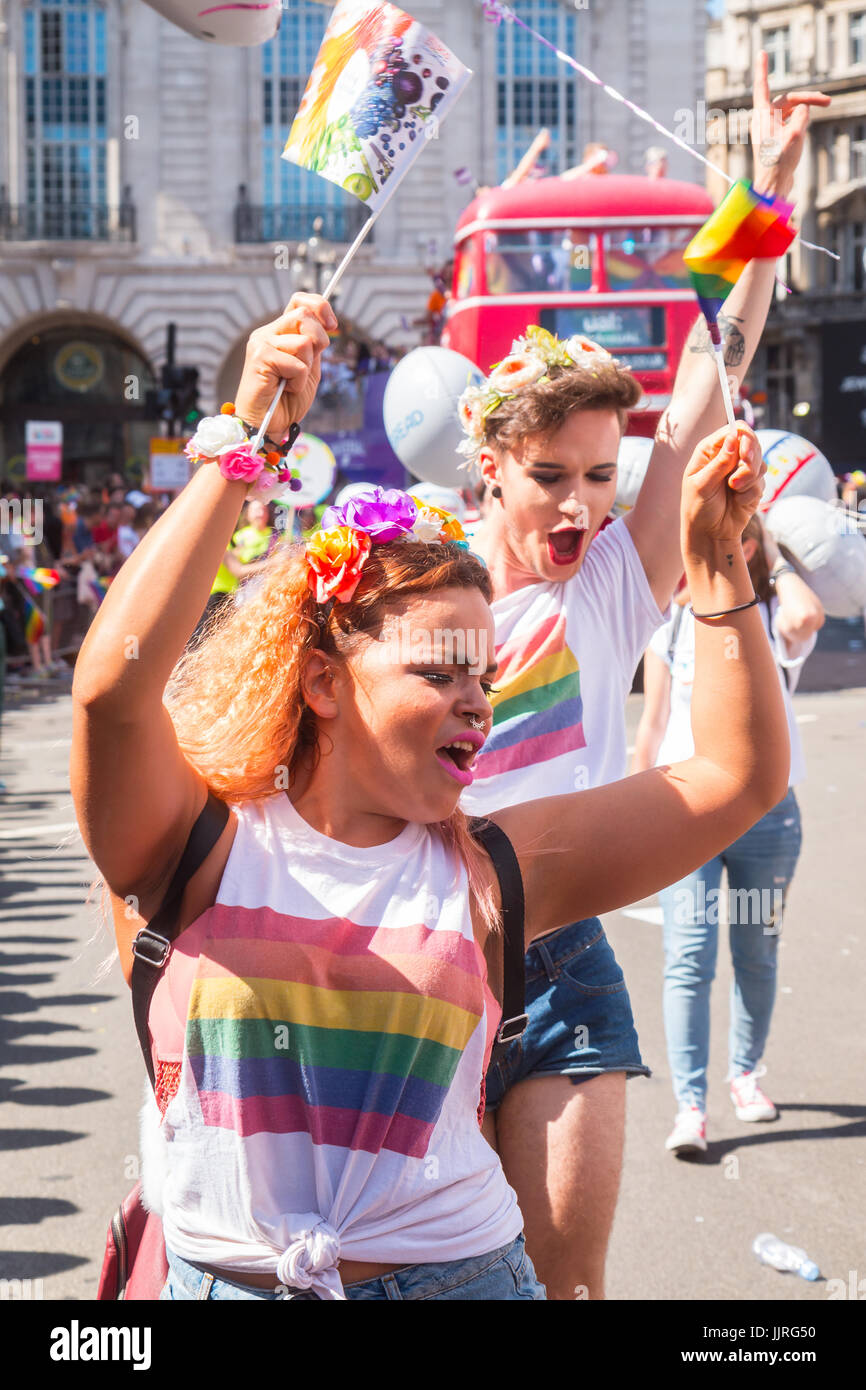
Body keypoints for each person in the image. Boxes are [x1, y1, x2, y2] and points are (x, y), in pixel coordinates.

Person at [70, 292, 787, 1301]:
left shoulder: (490, 867)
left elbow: (733, 777)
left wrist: (717, 568)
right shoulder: (194, 845)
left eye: (483, 679)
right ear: (322, 680)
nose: (475, 707)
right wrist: (242, 447)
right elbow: (111, 688)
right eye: (441, 672)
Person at [456, 50, 831, 1300]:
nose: (580, 504)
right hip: (419, 960)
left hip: (561, 962)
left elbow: (709, 361)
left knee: (567, 1288)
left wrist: (767, 189)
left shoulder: (614, 580)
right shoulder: (417, 583)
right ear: (492, 471)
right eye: (551, 477)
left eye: (600, 477)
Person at [631, 515, 824, 1154]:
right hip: (688, 813)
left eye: (739, 534)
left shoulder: (771, 615)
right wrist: (632, 812)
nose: (723, 546)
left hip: (768, 818)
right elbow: (652, 726)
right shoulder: (676, 623)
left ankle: (744, 1075)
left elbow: (808, 618)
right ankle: (691, 1106)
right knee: (688, 959)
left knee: (756, 953)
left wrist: (775, 551)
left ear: (753, 545)